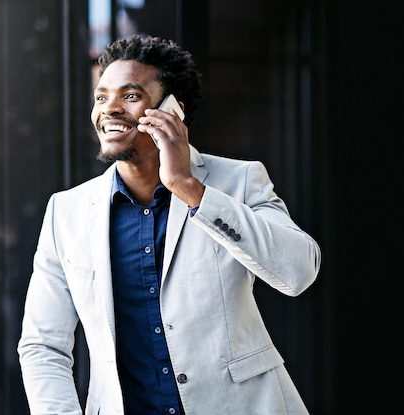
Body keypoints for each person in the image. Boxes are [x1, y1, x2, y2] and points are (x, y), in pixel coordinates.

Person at [17, 34, 321, 415]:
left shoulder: (239, 181)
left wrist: (190, 189)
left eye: (130, 96)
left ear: (173, 109)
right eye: (101, 97)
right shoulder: (67, 212)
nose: (109, 109)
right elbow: (43, 345)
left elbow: (298, 271)